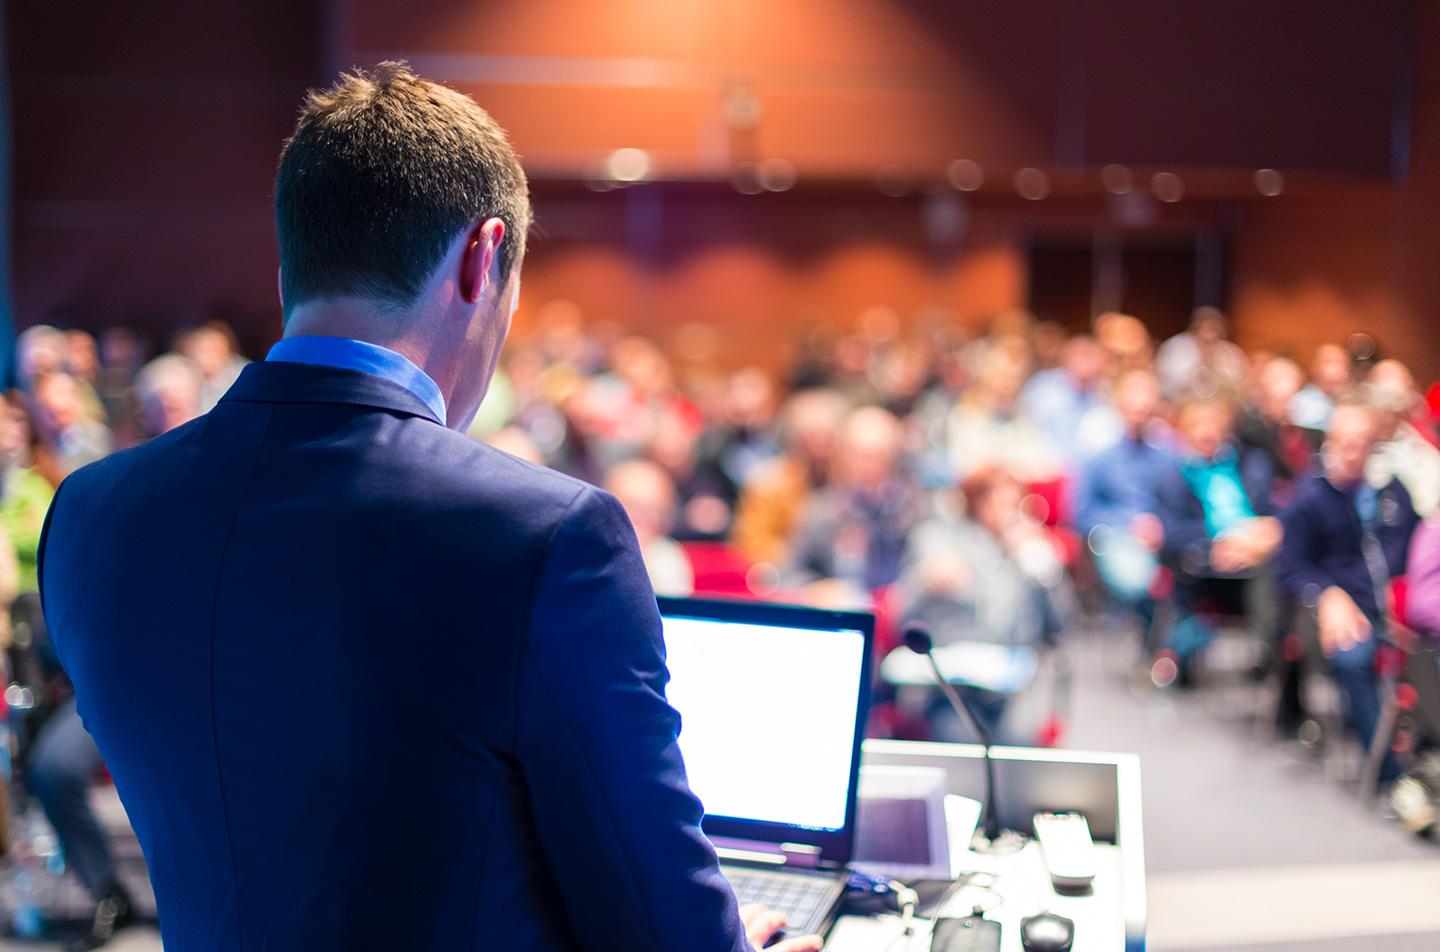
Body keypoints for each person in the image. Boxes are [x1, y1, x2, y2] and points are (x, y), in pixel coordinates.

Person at [39, 63, 815, 952]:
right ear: (485, 258)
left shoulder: (91, 517)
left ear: (294, 257)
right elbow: (661, 927)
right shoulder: (547, 537)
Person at [1276, 398, 1419, 783]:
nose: (1354, 453)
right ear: (1330, 443)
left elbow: (1415, 548)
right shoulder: (1309, 497)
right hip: (1349, 611)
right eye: (1345, 443)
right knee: (1353, 656)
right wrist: (1326, 594)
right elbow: (1288, 566)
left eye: (1363, 443)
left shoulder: (1392, 492)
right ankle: (1390, 777)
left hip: (1405, 612)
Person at [895, 465, 1064, 740]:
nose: (1004, 511)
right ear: (973, 502)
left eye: (1012, 503)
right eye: (994, 501)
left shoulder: (1029, 549)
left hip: (1012, 688)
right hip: (950, 689)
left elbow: (1059, 629)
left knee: (1020, 748)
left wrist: (1046, 571)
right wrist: (924, 581)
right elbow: (902, 614)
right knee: (960, 741)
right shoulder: (935, 540)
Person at [1156, 396, 1282, 682]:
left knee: (1285, 562)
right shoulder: (1172, 473)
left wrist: (1256, 537)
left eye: (1213, 424)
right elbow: (1172, 531)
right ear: (1184, 430)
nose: (1206, 432)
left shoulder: (1252, 464)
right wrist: (1221, 540)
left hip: (1255, 549)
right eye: (1198, 425)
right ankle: (1269, 646)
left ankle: (1278, 655)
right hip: (1206, 565)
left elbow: (1271, 511)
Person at [1074, 370, 1172, 643]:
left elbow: (1181, 503)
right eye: (1133, 407)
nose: (1139, 415)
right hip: (1119, 536)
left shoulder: (1170, 456)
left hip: (1164, 536)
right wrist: (1129, 524)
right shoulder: (1100, 460)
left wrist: (1158, 526)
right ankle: (1151, 643)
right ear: (1119, 407)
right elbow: (1081, 513)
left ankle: (1174, 649)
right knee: (1136, 579)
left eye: (1145, 408)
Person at [785, 405, 921, 597]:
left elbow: (926, 563)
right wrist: (818, 589)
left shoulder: (915, 508)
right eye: (861, 456)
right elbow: (788, 574)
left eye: (879, 456)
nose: (870, 467)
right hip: (844, 616)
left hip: (902, 617)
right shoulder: (821, 509)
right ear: (843, 456)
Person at [605, 458, 696, 597]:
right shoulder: (586, 555)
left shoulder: (668, 558)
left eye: (651, 511)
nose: (639, 519)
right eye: (631, 506)